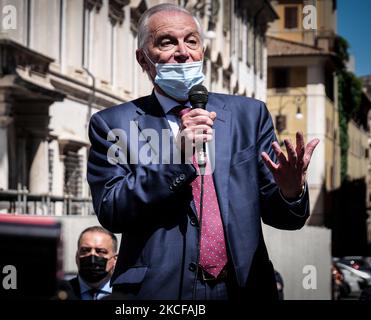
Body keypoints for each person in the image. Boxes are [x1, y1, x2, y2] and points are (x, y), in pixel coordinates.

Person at [87, 3, 319, 300]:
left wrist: (290, 192)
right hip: (159, 293)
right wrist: (176, 159)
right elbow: (111, 210)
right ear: (143, 59)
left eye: (191, 40)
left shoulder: (250, 116)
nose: (183, 51)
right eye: (167, 41)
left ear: (202, 53)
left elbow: (286, 218)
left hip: (244, 289)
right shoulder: (112, 124)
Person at [68, 226, 118, 300]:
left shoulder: (129, 294)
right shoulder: (60, 293)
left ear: (115, 259)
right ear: (77, 256)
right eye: (85, 250)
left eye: (101, 251)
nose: (92, 256)